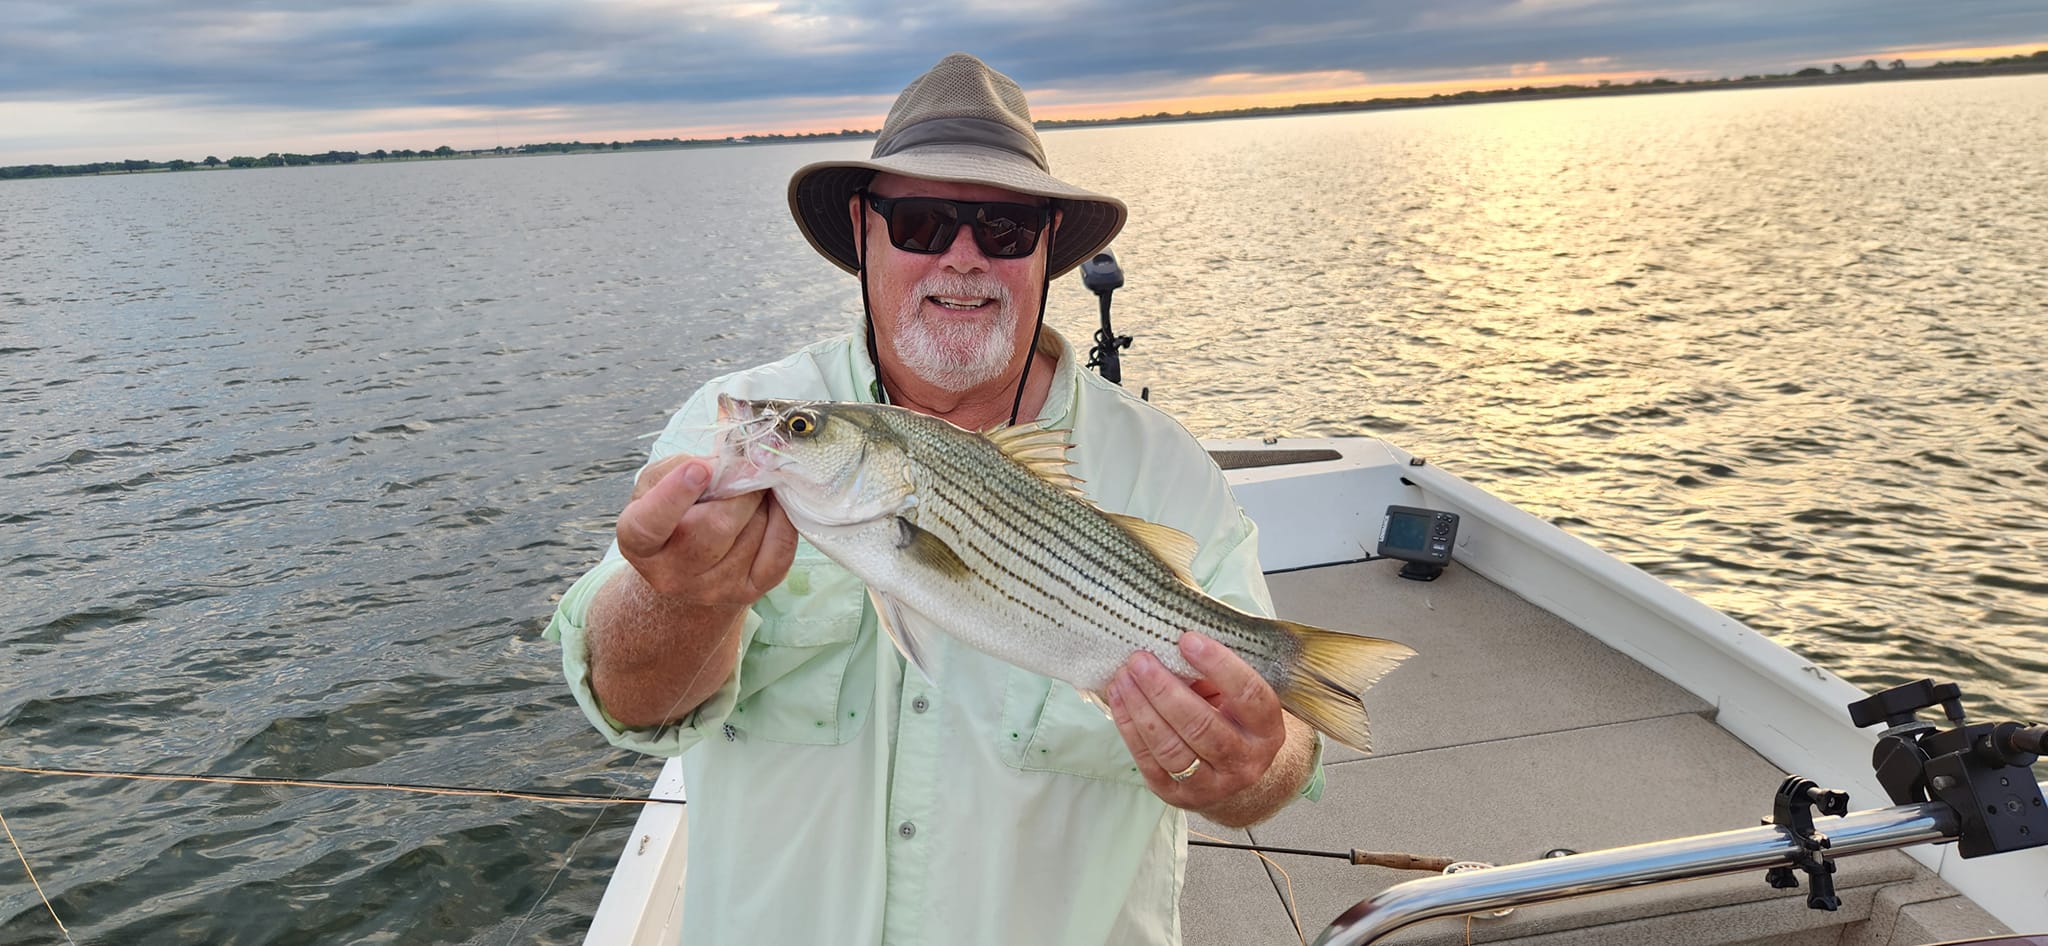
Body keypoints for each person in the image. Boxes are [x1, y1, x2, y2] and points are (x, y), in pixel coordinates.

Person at [546, 53, 1324, 945]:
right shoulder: (729, 432)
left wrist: (1252, 764)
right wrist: (676, 600)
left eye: (1003, 227)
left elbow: (1290, 758)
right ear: (863, 229)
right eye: (920, 222)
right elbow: (627, 701)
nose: (962, 259)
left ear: (1047, 247)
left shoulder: (1167, 466)